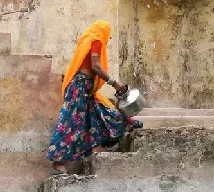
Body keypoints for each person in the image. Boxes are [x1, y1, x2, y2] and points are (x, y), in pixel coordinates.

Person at [46, 20, 143, 175]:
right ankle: (59, 163)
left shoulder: (87, 39)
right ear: (103, 31)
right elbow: (96, 66)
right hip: (80, 87)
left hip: (84, 87)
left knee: (97, 114)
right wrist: (115, 84)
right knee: (72, 122)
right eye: (109, 35)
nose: (109, 39)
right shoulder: (95, 40)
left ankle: (97, 148)